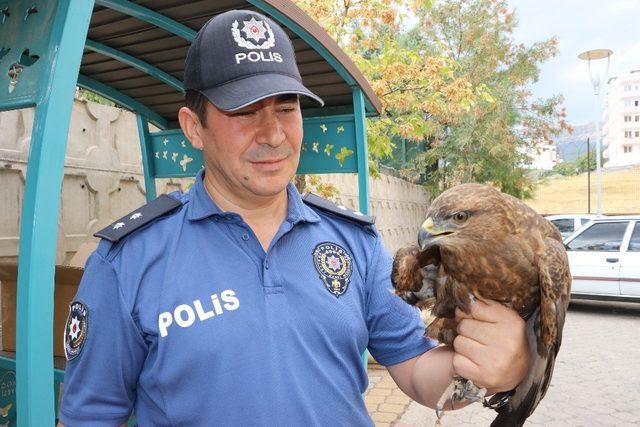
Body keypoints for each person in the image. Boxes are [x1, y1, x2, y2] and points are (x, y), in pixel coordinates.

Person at [58, 9, 529, 426]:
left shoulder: (353, 241)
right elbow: (90, 417)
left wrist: (484, 370)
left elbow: (415, 368)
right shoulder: (129, 260)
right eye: (245, 112)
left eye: (287, 108)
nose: (273, 134)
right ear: (193, 127)